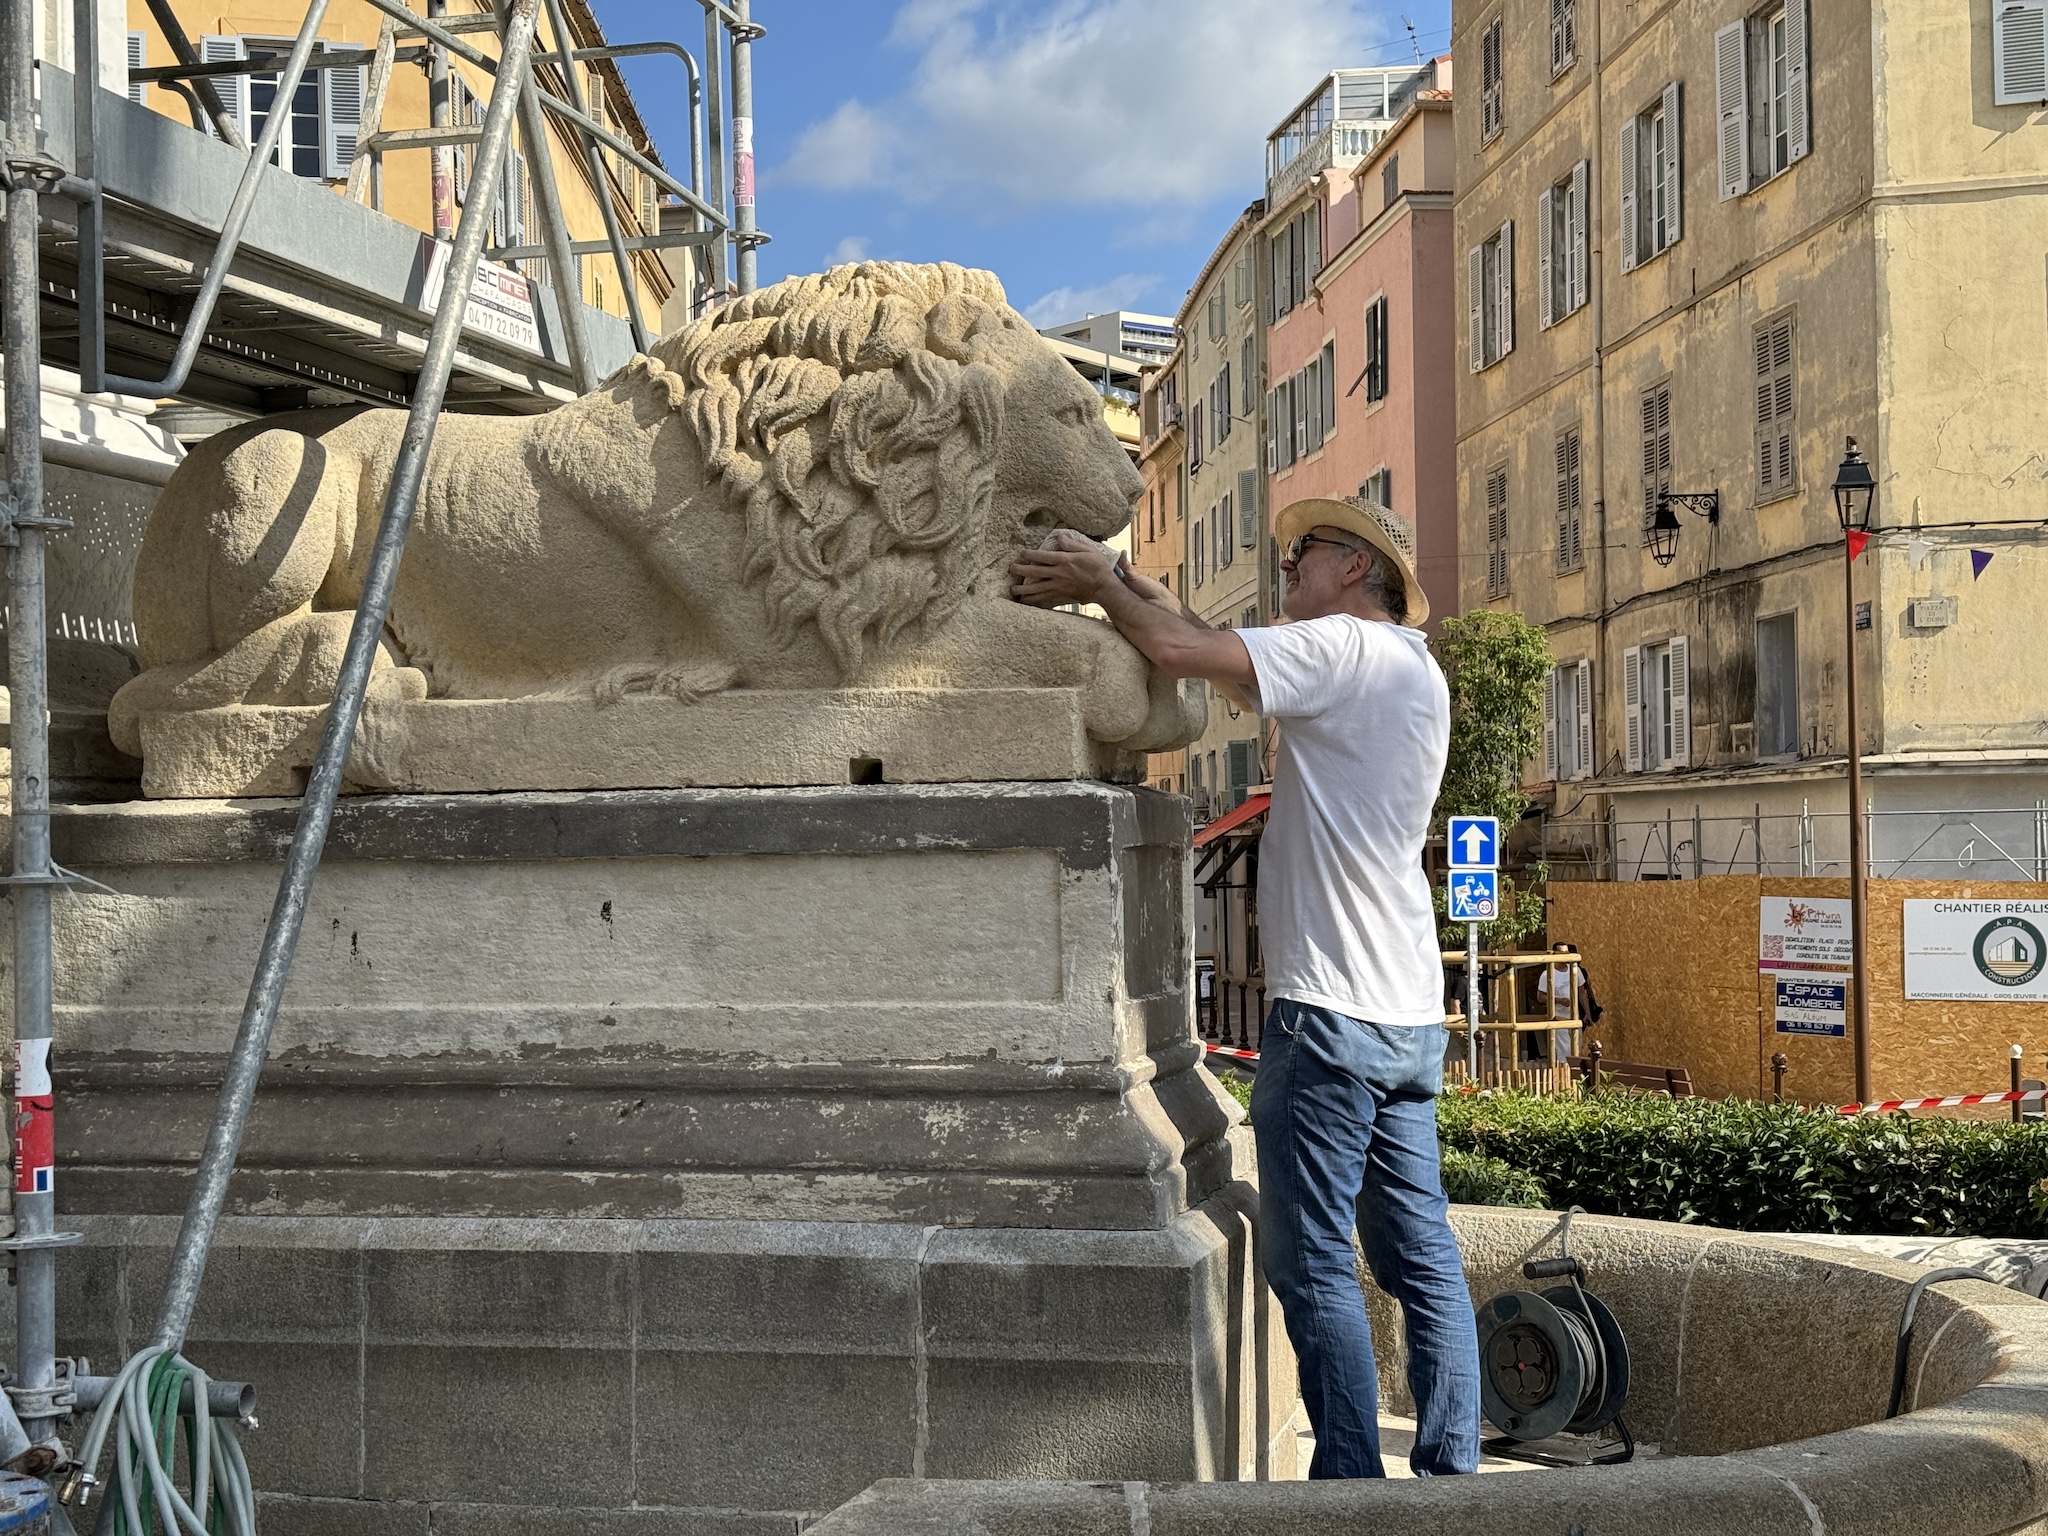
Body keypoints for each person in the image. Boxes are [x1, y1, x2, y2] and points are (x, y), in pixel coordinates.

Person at [1010, 496, 1479, 1479]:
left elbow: (1181, 656)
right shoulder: (1411, 668)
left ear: (1354, 567)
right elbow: (1201, 641)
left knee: (1310, 1267)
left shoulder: (1343, 648)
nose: (1288, 570)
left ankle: (1348, 1488)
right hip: (1402, 1010)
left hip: (1330, 1013)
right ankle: (1450, 1484)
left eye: (1301, 554)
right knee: (1420, 1259)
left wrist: (1098, 584)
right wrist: (1122, 579)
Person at [1533, 941, 1601, 1066]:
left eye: (1566, 952)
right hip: (1559, 1018)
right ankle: (1566, 1077)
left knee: (1576, 1049)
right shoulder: (1547, 974)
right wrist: (1558, 1000)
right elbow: (1541, 997)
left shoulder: (1575, 971)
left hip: (1575, 1017)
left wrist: (1588, 1013)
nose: (1565, 955)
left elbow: (1582, 993)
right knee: (1565, 1051)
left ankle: (1574, 1078)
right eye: (1562, 952)